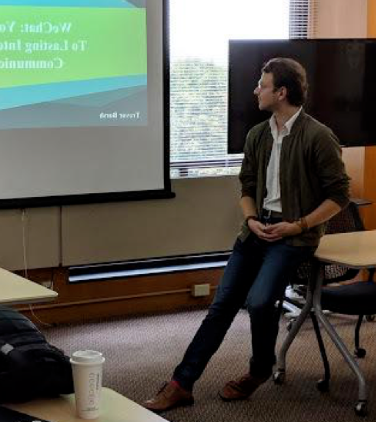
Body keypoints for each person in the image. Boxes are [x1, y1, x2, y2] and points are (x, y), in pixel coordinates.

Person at [142, 57, 350, 412]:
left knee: (257, 302)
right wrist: (251, 219)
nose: (256, 90)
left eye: (262, 84)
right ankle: (181, 384)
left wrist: (298, 225)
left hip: (294, 236)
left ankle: (258, 370)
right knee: (222, 305)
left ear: (281, 92)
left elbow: (339, 195)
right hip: (256, 229)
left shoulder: (318, 136)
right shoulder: (257, 134)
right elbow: (247, 185)